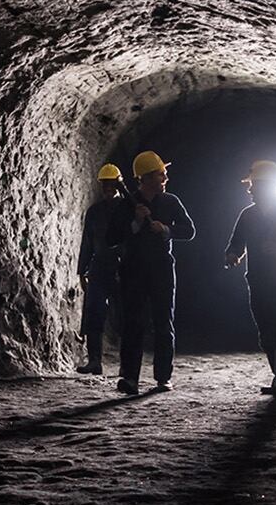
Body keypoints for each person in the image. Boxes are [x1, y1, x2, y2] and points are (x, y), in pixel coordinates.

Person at [110, 150, 195, 395]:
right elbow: (111, 238)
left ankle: (163, 377)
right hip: (133, 269)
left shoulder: (170, 202)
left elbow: (189, 230)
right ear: (146, 178)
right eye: (161, 174)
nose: (165, 178)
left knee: (163, 322)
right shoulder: (127, 204)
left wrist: (166, 229)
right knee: (133, 323)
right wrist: (135, 224)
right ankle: (129, 377)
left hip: (161, 268)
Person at [224, 160, 276, 397]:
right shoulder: (248, 215)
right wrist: (232, 254)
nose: (250, 190)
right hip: (258, 279)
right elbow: (237, 242)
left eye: (254, 186)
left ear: (267, 186)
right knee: (265, 331)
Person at [74, 162, 127, 375]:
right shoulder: (94, 212)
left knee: (125, 316)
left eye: (111, 185)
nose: (107, 189)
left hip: (123, 268)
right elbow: (87, 242)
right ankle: (94, 360)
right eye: (104, 185)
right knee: (93, 313)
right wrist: (82, 271)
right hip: (99, 267)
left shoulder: (127, 209)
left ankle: (127, 364)